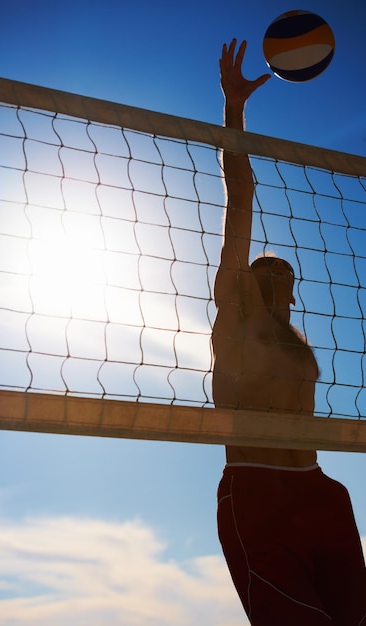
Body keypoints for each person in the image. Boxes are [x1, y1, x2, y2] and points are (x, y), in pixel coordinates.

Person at [213, 39, 366, 626]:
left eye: (285, 271)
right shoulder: (236, 314)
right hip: (257, 492)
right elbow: (240, 194)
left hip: (321, 493)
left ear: (293, 293)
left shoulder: (294, 341)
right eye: (264, 266)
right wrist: (235, 108)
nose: (275, 269)